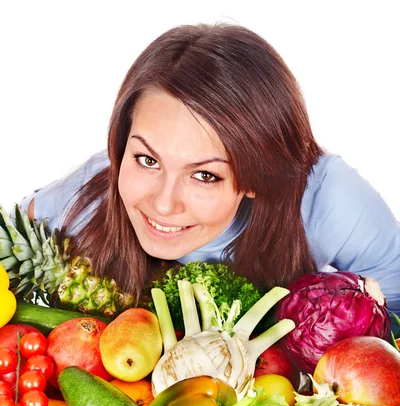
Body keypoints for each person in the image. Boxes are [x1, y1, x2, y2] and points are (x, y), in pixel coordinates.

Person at [21, 22, 400, 328]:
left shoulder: (328, 197)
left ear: (259, 173)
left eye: (204, 175)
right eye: (147, 160)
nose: (164, 203)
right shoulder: (93, 188)